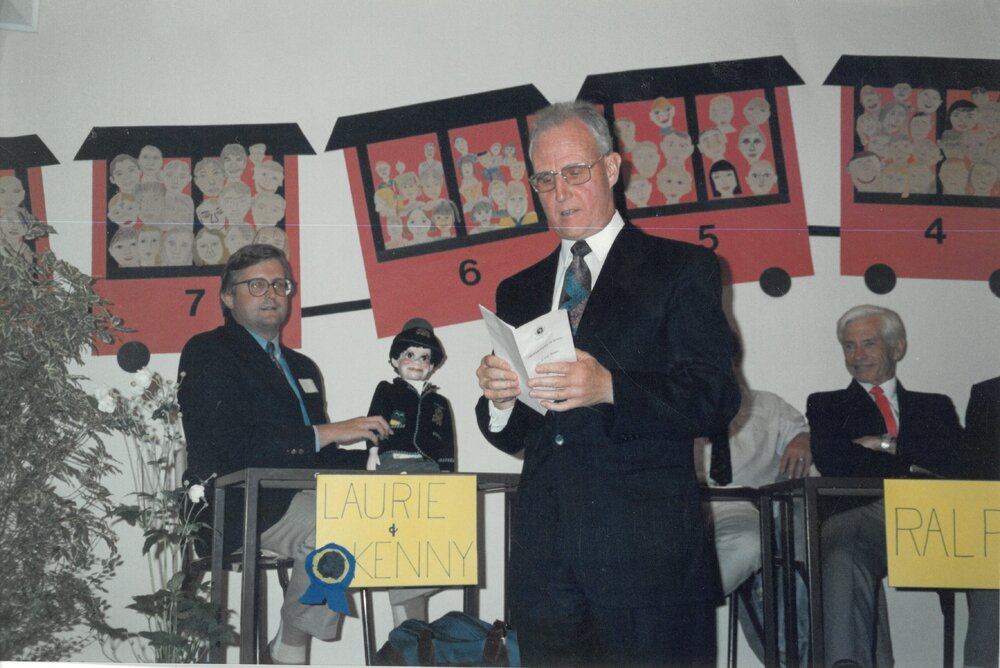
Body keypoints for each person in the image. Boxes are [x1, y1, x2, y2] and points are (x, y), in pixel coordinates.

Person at [475, 101, 740, 667]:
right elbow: (519, 434)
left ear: (613, 168)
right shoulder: (517, 290)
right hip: (546, 565)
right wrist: (500, 399)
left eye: (575, 172)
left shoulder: (682, 268)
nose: (560, 192)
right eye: (545, 180)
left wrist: (612, 388)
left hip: (648, 561)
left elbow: (715, 396)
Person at [179, 244, 390, 664]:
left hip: (299, 497)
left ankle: (412, 640)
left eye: (280, 284)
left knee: (400, 507)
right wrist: (328, 432)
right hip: (237, 503)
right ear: (227, 297)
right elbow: (229, 446)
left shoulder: (303, 367)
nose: (272, 293)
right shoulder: (208, 351)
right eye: (256, 285)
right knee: (339, 523)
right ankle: (289, 652)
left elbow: (317, 455)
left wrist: (380, 460)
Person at [807, 304, 963, 668]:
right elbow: (836, 462)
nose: (857, 355)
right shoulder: (827, 404)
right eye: (849, 346)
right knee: (843, 551)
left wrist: (882, 444)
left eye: (869, 343)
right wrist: (914, 461)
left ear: (898, 348)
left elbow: (952, 460)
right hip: (865, 514)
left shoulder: (935, 406)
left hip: (935, 517)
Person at [695, 332, 811, 666]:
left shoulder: (767, 405)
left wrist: (803, 439)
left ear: (734, 360)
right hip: (680, 504)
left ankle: (681, 605)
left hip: (738, 505)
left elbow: (801, 433)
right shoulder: (673, 402)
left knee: (751, 543)